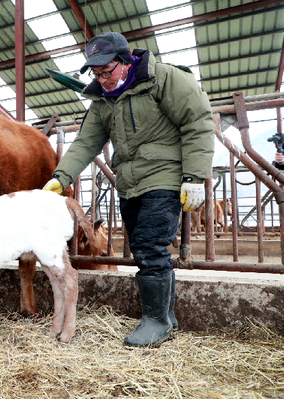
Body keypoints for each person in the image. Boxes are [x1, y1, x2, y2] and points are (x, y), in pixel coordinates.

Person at [43, 32, 215, 347]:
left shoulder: (164, 79)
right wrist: (61, 177)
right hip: (129, 183)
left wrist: (194, 176)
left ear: (125, 61)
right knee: (144, 249)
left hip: (164, 177)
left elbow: (198, 122)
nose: (102, 78)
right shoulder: (101, 100)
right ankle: (167, 316)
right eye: (95, 73)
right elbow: (86, 142)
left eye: (106, 71)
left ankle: (156, 321)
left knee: (150, 247)